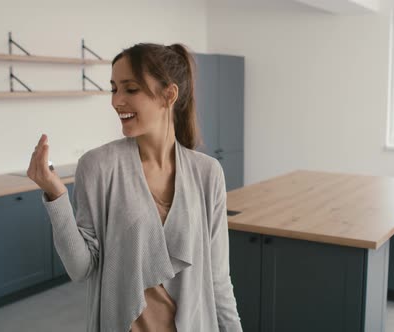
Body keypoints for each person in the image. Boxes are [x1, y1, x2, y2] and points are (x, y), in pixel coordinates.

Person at [27, 42, 243, 332]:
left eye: (130, 89)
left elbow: (218, 279)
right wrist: (56, 195)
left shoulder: (207, 173)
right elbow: (81, 268)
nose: (116, 101)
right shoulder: (98, 166)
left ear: (169, 95)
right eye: (114, 88)